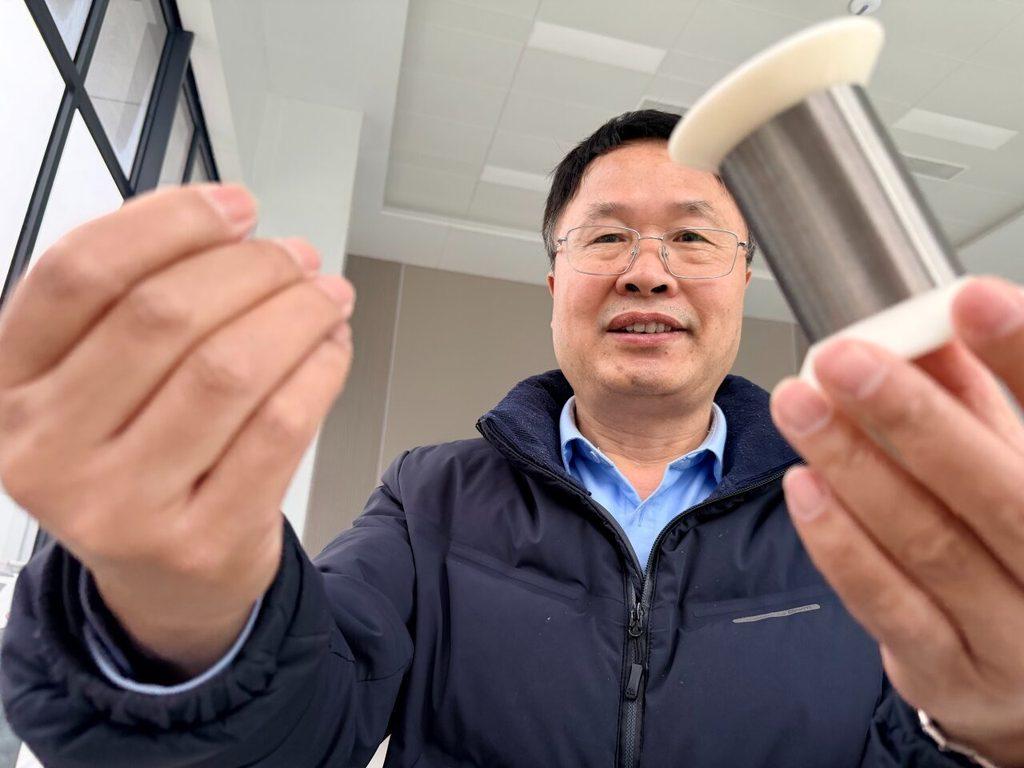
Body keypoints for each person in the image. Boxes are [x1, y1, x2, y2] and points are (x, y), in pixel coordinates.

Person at [0, 109, 1022, 768]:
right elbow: (297, 728)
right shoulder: (430, 499)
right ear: (554, 282)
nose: (648, 270)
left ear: (744, 278)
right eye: (607, 235)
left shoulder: (847, 515)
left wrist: (997, 731)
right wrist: (180, 609)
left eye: (692, 237)